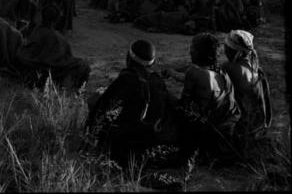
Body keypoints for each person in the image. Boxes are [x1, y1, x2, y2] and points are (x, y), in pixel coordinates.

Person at [86, 40, 174, 167]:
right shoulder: (158, 81)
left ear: (129, 58)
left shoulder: (126, 79)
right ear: (153, 62)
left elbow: (101, 110)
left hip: (125, 148)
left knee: (94, 101)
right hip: (151, 144)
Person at [164, 33, 241, 163]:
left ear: (200, 52)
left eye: (192, 48)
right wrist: (172, 73)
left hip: (209, 136)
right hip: (226, 134)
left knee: (165, 97)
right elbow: (201, 82)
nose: (190, 51)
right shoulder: (221, 73)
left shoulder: (194, 73)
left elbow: (184, 107)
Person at [16, 4, 90, 90]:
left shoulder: (35, 31)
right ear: (57, 19)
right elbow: (61, 60)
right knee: (83, 66)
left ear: (42, 16)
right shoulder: (57, 38)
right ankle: (72, 89)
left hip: (32, 69)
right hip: (49, 70)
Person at [221, 30, 272, 141]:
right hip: (259, 125)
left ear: (238, 52)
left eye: (227, 49)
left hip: (244, 129)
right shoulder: (256, 68)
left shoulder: (230, 68)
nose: (225, 51)